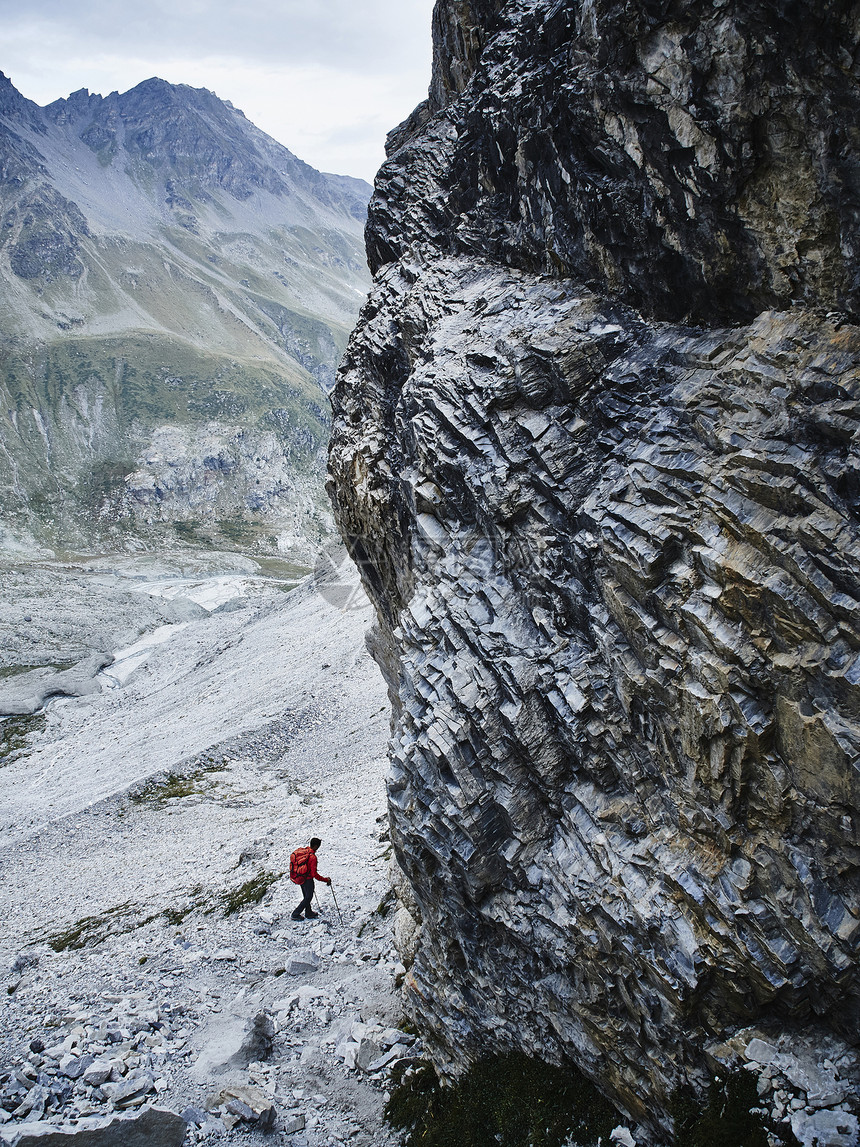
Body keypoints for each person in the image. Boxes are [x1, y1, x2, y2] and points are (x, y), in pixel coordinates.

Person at [290, 837, 331, 920]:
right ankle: (295, 914)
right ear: (316, 846)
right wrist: (326, 880)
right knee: (308, 897)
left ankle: (308, 912)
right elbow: (314, 874)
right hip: (308, 880)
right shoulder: (312, 857)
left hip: (301, 877)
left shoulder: (305, 851)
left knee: (306, 896)